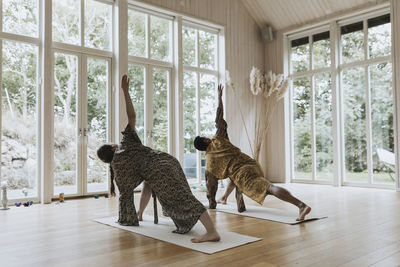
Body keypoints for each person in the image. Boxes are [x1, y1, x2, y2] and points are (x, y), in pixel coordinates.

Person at [97, 74, 220, 243]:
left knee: (183, 199)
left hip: (159, 169)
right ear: (112, 147)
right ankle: (141, 213)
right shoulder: (125, 142)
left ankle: (212, 231)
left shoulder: (117, 165)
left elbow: (125, 195)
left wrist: (126, 218)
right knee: (155, 184)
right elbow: (132, 116)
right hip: (166, 161)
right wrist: (125, 91)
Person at [194, 84, 311, 221]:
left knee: (268, 188)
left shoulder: (210, 162)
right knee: (234, 175)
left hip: (244, 174)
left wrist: (211, 203)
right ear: (206, 141)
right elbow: (219, 117)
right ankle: (224, 197)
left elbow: (211, 186)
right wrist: (220, 97)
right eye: (204, 137)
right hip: (252, 164)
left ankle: (301, 205)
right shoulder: (219, 138)